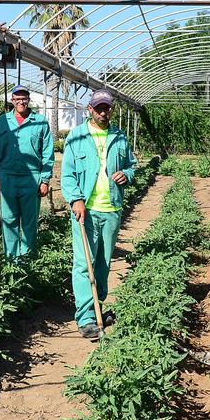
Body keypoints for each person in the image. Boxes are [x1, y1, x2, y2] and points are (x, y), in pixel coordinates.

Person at [61, 89, 137, 341]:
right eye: (99, 108)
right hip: (87, 210)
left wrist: (127, 174)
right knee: (84, 264)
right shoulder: (77, 137)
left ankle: (98, 306)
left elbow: (132, 165)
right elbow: (68, 175)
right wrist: (76, 200)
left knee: (103, 263)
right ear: (90, 110)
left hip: (112, 209)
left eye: (107, 108)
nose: (103, 112)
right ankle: (85, 318)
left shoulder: (119, 137)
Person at [0, 85, 55, 260]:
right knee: (8, 220)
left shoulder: (40, 122)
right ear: (12, 101)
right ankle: (11, 260)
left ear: (28, 100)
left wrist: (45, 180)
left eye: (24, 98)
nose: (21, 102)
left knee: (29, 222)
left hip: (31, 179)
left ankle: (27, 260)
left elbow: (48, 153)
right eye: (17, 99)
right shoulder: (1, 122)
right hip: (7, 177)